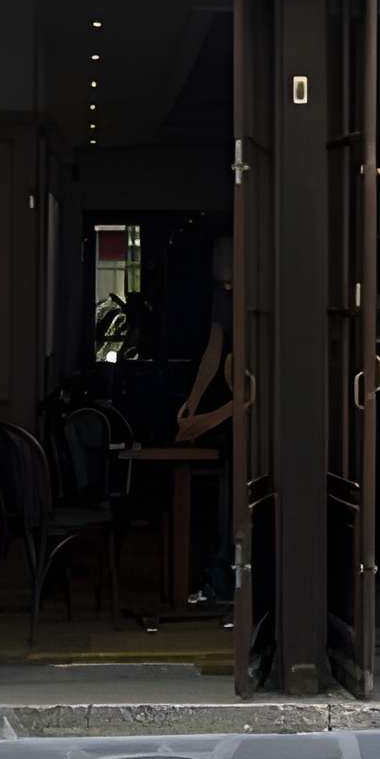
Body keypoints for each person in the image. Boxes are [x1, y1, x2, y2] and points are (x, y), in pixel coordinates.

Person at [173, 234, 240, 606]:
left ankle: (229, 584)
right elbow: (213, 354)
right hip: (233, 407)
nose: (226, 284)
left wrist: (207, 420)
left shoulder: (256, 299)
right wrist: (192, 403)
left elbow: (252, 390)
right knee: (222, 502)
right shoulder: (223, 297)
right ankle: (219, 581)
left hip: (248, 415)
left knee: (236, 505)